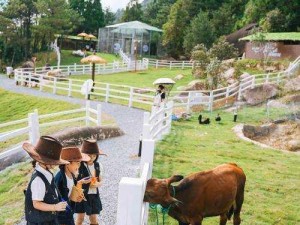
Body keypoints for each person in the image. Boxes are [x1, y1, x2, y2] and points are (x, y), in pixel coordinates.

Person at [23, 136, 69, 225]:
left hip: (49, 218)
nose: (55, 164)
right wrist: (55, 207)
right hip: (40, 221)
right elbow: (36, 204)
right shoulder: (38, 180)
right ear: (45, 161)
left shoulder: (47, 173)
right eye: (53, 162)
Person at [55, 147, 91, 225]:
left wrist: (77, 196)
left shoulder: (72, 176)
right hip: (61, 217)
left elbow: (70, 197)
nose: (79, 165)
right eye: (77, 163)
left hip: (69, 213)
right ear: (67, 163)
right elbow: (56, 199)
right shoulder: (59, 178)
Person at [75, 139, 106, 225]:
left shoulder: (98, 166)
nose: (91, 158)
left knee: (93, 219)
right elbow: (75, 180)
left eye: (94, 156)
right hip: (82, 195)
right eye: (89, 155)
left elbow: (101, 181)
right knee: (80, 218)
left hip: (93, 195)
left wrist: (97, 184)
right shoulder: (79, 165)